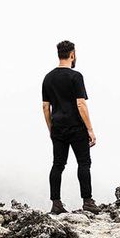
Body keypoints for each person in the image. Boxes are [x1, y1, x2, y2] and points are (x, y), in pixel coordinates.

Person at [42, 40, 99, 214]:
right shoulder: (76, 76)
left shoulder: (48, 77)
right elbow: (81, 104)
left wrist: (51, 128)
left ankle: (56, 203)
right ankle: (87, 201)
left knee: (58, 164)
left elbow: (46, 107)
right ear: (72, 54)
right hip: (76, 127)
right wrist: (90, 129)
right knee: (83, 163)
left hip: (58, 127)